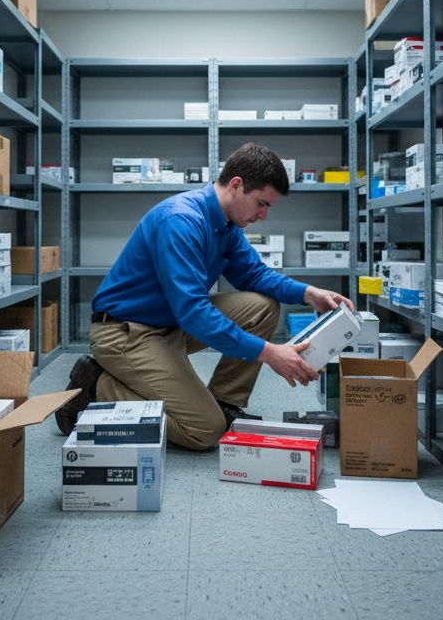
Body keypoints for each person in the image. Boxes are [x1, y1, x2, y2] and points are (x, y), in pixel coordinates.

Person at [54, 143, 353, 450]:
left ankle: (225, 403)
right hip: (126, 333)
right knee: (203, 430)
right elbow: (194, 313)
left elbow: (253, 274)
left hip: (169, 323)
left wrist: (308, 293)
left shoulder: (226, 225)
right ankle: (96, 386)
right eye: (261, 204)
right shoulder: (180, 221)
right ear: (236, 185)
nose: (263, 215)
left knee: (261, 307)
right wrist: (269, 353)